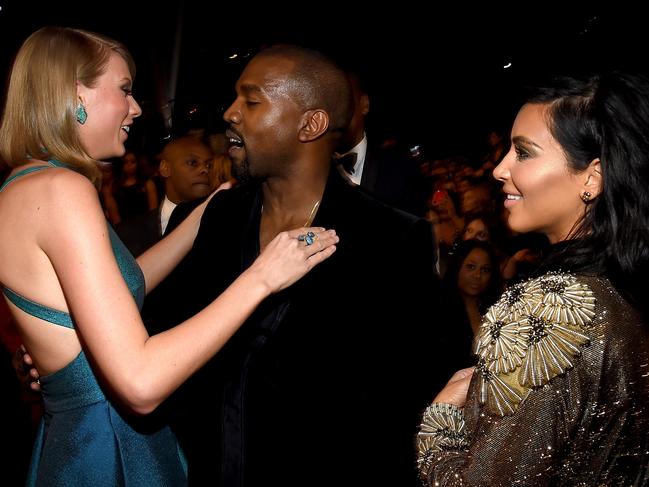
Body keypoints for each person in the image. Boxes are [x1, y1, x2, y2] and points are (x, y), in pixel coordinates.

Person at [0, 27, 337, 487]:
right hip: (110, 445)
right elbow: (140, 383)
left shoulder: (23, 185)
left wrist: (202, 214)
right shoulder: (63, 190)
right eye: (124, 90)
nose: (136, 108)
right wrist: (262, 276)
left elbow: (116, 285)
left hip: (73, 441)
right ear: (75, 93)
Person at [143, 44, 446, 486]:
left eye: (251, 100)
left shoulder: (392, 238)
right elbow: (163, 326)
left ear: (311, 124)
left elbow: (407, 405)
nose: (230, 113)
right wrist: (75, 350)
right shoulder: (222, 216)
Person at [417, 72, 649, 485]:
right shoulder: (622, 287)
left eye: (523, 153)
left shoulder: (548, 313)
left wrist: (441, 418)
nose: (500, 169)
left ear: (592, 177)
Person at [116, 134, 227, 256]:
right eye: (192, 163)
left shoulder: (227, 227)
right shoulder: (128, 234)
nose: (204, 170)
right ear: (165, 168)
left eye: (209, 165)